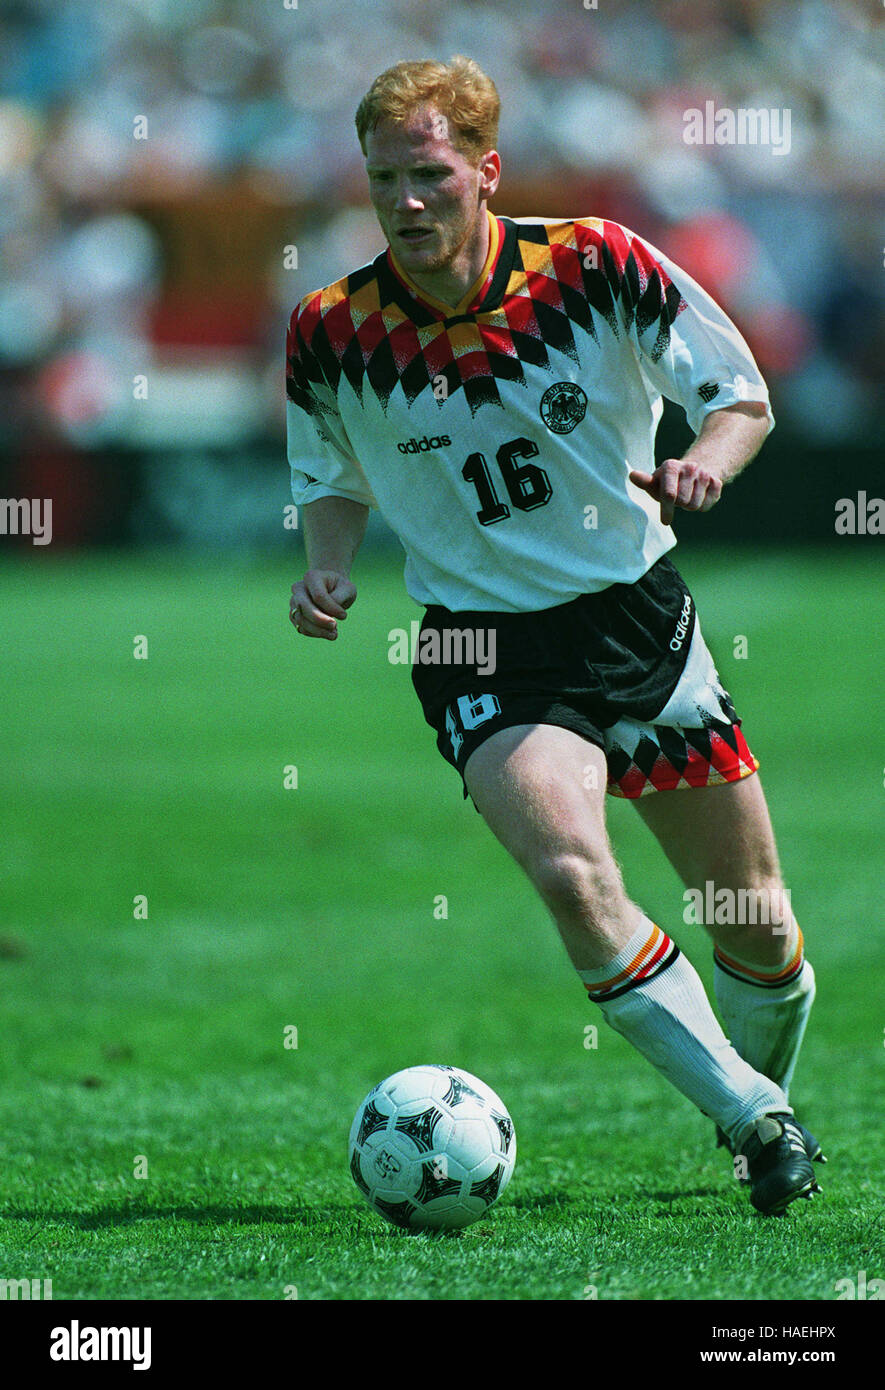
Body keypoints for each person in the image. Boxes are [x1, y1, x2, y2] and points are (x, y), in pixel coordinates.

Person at [285, 56, 823, 1215]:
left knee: (759, 929)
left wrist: (701, 466)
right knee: (577, 878)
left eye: (430, 174)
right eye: (385, 179)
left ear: (486, 171)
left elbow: (741, 396)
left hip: (638, 619)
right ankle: (757, 1119)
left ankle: (749, 1099)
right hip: (481, 647)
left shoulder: (598, 264)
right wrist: (328, 561)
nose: (406, 202)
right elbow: (328, 471)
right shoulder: (332, 330)